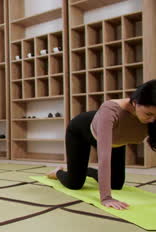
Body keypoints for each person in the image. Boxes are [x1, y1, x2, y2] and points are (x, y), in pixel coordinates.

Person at [47, 79, 156, 210]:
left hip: (116, 139)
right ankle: (59, 172)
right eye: (148, 114)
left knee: (116, 184)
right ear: (135, 103)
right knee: (74, 183)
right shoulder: (111, 110)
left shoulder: (153, 115)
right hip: (81, 130)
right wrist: (106, 198)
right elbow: (104, 157)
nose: (153, 120)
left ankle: (81, 170)